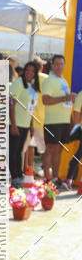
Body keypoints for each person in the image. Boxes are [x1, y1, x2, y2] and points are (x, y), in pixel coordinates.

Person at [41, 55, 75, 185]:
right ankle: (47, 178)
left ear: (64, 65)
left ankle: (55, 178)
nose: (59, 66)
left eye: (61, 64)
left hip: (64, 121)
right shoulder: (49, 81)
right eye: (57, 64)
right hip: (53, 121)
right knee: (50, 149)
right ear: (52, 65)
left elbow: (68, 102)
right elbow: (45, 100)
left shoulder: (63, 80)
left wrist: (71, 121)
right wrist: (64, 98)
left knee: (59, 150)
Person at [9, 61, 38, 185]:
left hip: (25, 124)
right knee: (13, 152)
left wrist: (31, 126)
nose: (29, 73)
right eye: (27, 70)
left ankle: (19, 175)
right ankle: (15, 177)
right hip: (16, 124)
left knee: (20, 151)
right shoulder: (18, 83)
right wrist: (13, 125)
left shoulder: (31, 85)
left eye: (32, 71)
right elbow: (11, 104)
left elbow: (30, 107)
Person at [66, 88, 82, 187]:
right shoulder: (81, 95)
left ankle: (69, 179)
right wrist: (76, 131)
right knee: (78, 155)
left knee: (78, 155)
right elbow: (76, 114)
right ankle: (69, 179)